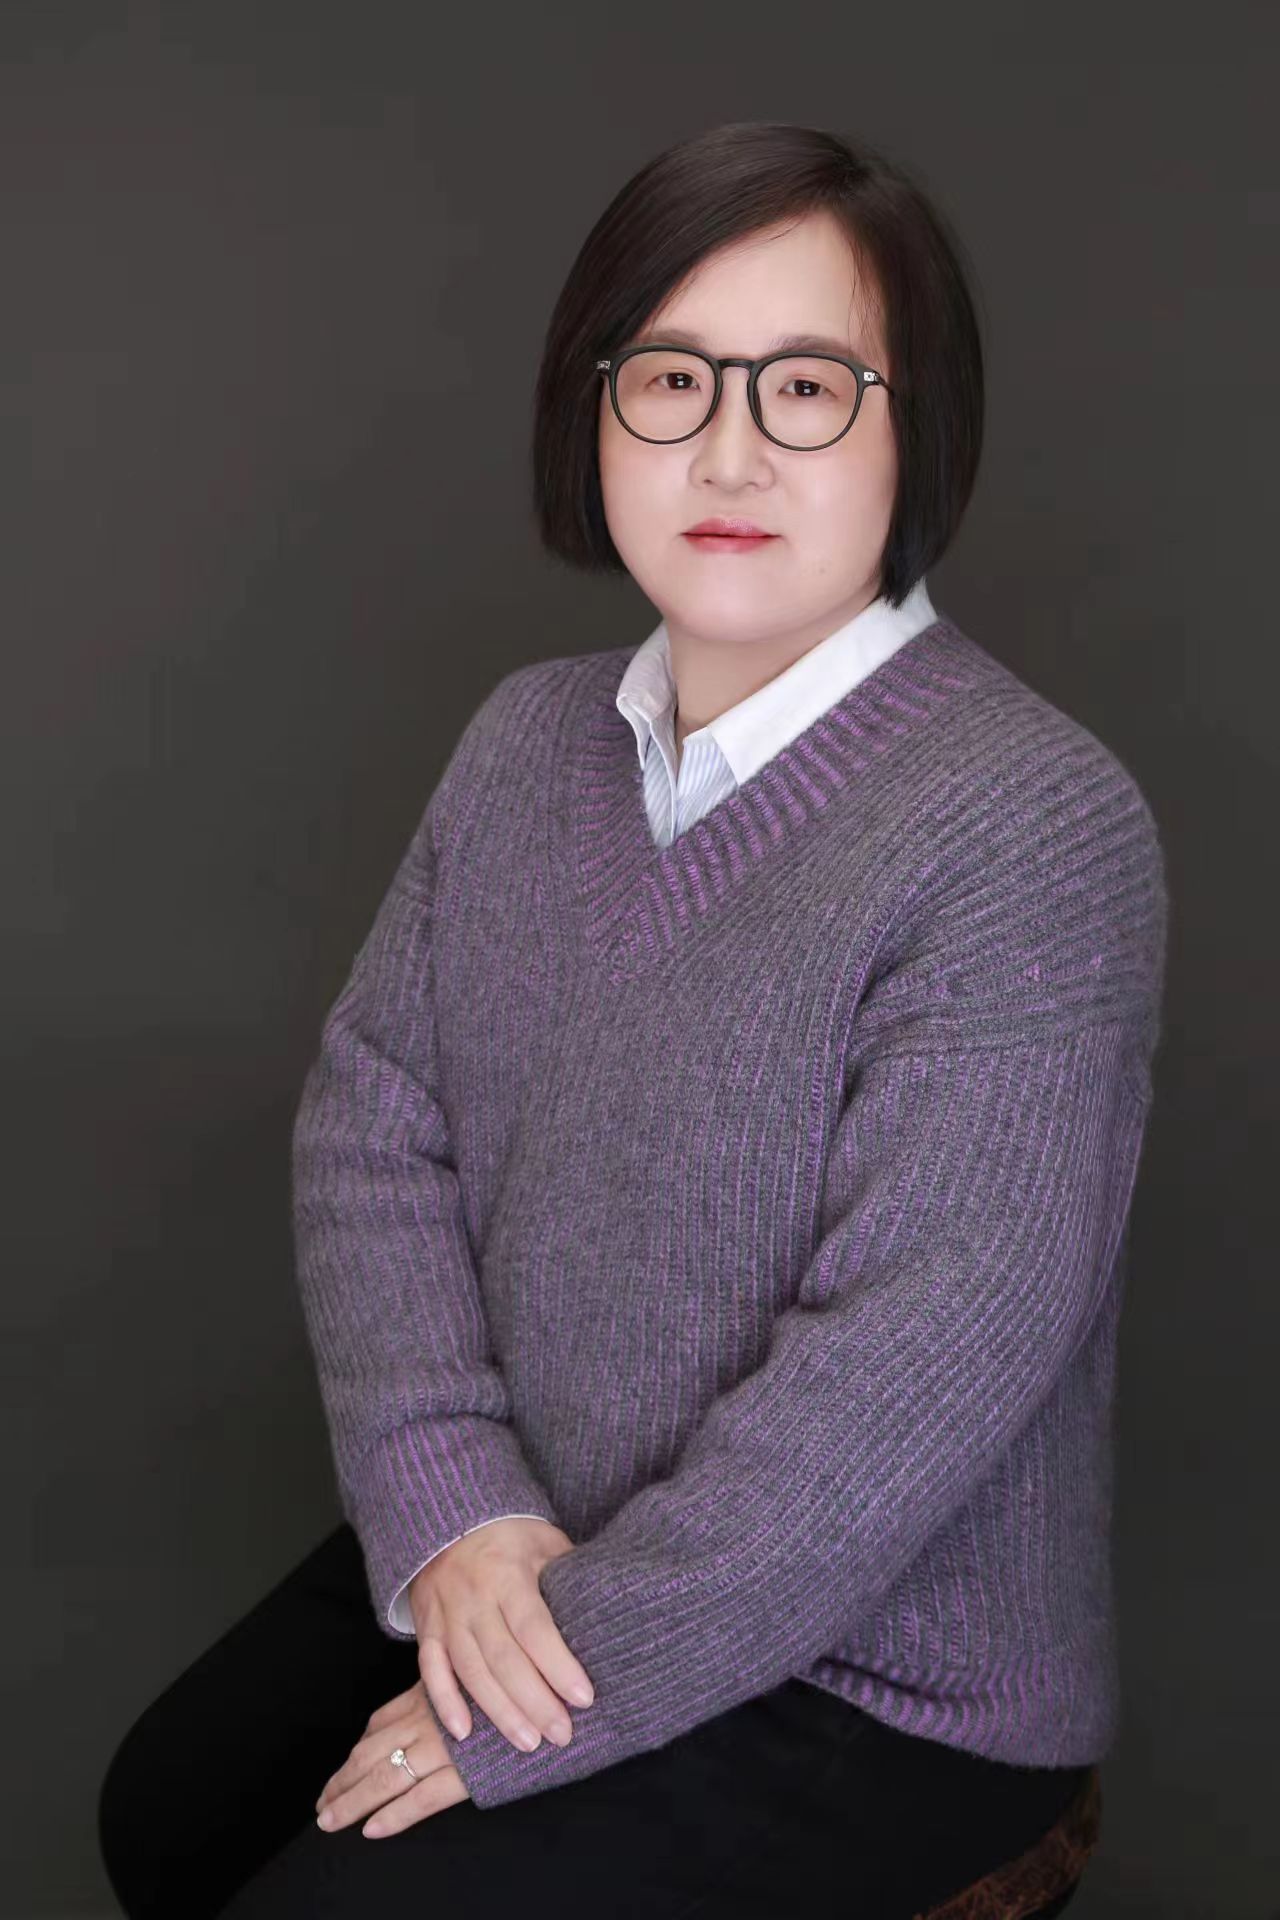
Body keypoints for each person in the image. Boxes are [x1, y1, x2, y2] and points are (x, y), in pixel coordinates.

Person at [97, 118, 1168, 1918]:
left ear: (917, 429)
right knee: (167, 1816)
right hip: (530, 1528)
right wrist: (456, 1511)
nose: (729, 450)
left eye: (808, 387)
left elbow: (905, 1380)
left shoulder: (1034, 823)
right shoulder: (525, 742)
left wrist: (563, 1683)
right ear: (591, 414)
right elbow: (375, 1129)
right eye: (671, 379)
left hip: (873, 1676)